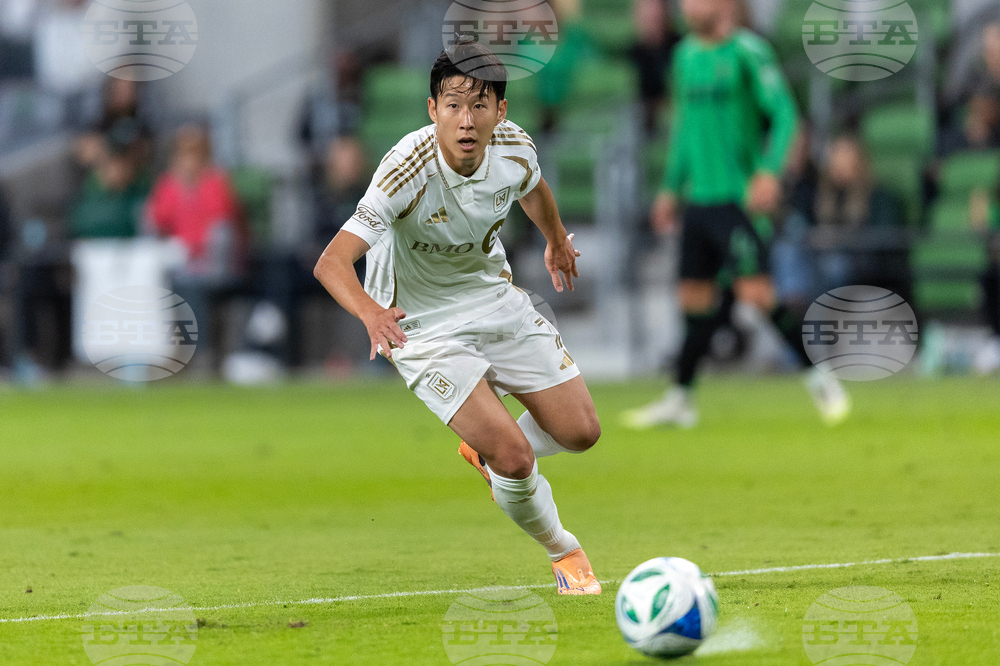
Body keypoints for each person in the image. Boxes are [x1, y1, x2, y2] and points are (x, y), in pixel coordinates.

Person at [314, 40, 603, 595]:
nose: (465, 120)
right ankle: (564, 553)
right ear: (432, 110)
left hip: (490, 297)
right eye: (452, 105)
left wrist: (555, 242)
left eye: (479, 105)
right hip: (417, 322)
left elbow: (534, 189)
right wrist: (372, 313)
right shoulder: (406, 167)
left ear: (500, 111)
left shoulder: (514, 148)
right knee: (516, 459)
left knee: (582, 431)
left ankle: (483, 446)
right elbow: (331, 262)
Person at [623, 0, 850, 429]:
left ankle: (820, 376)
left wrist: (769, 171)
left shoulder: (748, 52)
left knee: (757, 295)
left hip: (738, 200)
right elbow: (683, 131)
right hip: (699, 201)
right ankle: (681, 398)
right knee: (694, 300)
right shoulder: (684, 56)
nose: (689, 6)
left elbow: (785, 114)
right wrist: (670, 188)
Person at [148, 124, 244, 363]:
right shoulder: (169, 184)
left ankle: (201, 352)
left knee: (192, 285)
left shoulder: (216, 182)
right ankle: (158, 353)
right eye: (183, 153)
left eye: (194, 153)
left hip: (212, 261)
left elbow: (223, 223)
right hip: (177, 260)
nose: (188, 160)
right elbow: (157, 220)